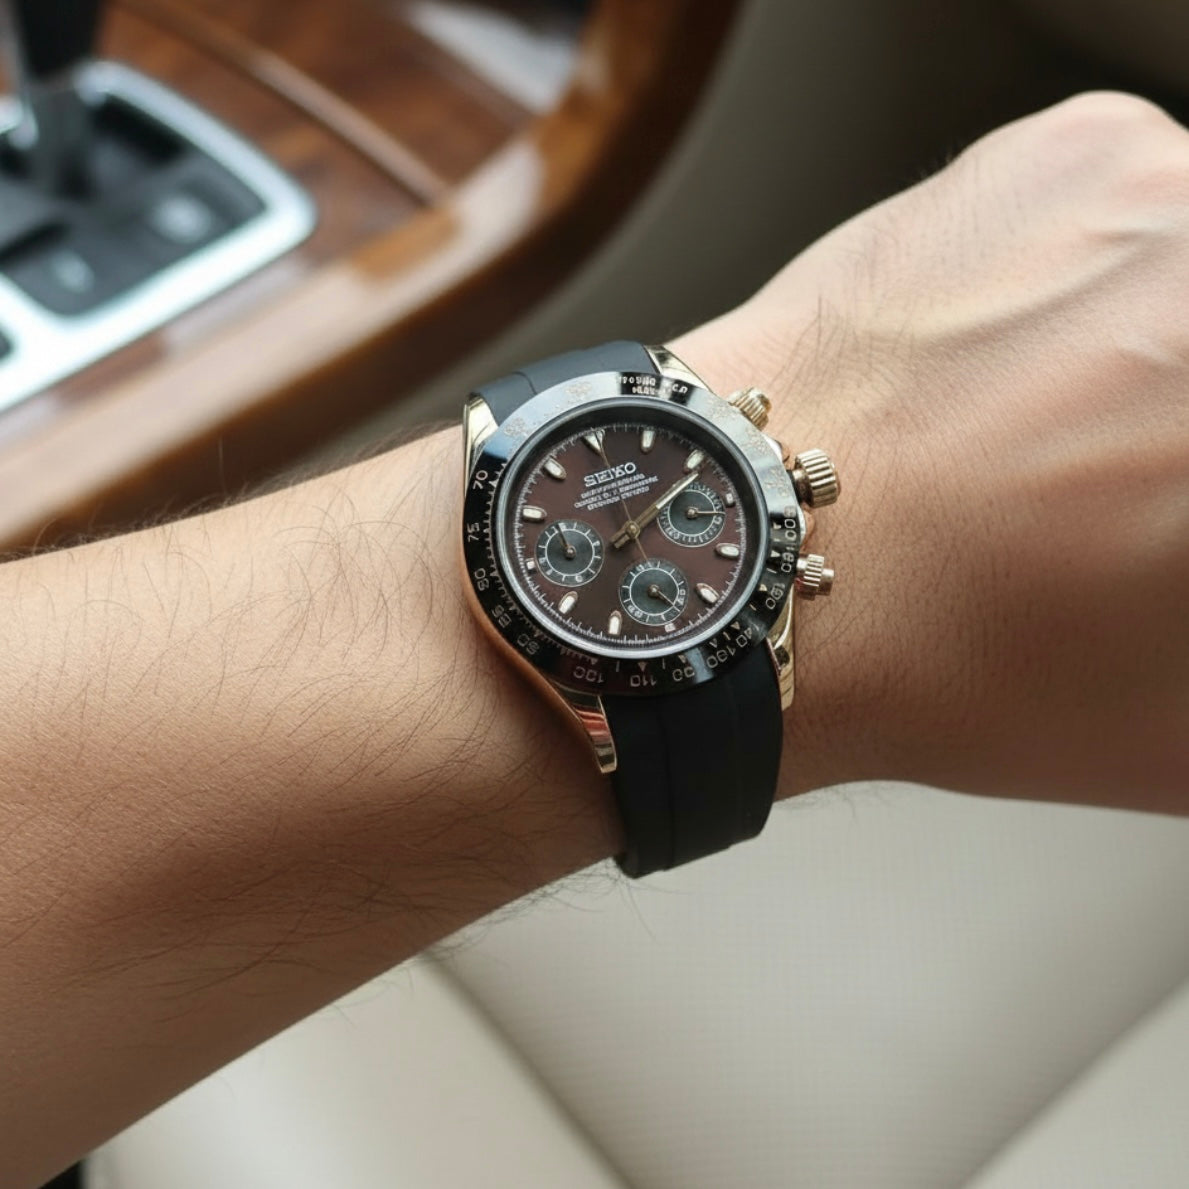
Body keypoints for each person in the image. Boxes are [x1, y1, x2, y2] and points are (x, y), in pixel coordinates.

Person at [3, 90, 1188, 1189]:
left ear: (792, 492)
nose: (630, 533)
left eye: (679, 511)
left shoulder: (743, 513)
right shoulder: (563, 525)